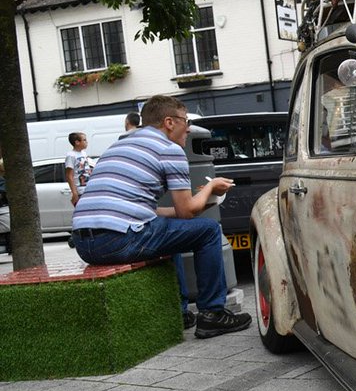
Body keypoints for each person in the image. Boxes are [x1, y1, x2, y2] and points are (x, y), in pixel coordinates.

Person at [71, 95, 251, 338]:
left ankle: (179, 312)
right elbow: (187, 212)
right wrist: (210, 188)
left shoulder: (117, 147)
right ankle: (212, 314)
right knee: (208, 231)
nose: (187, 128)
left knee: (170, 231)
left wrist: (201, 203)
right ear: (169, 122)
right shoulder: (169, 150)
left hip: (85, 243)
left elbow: (155, 213)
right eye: (184, 121)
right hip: (120, 240)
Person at [64, 132, 95, 206]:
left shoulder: (83, 153)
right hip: (80, 190)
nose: (86, 142)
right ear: (77, 142)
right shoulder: (71, 155)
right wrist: (74, 192)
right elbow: (69, 175)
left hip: (88, 188)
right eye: (84, 140)